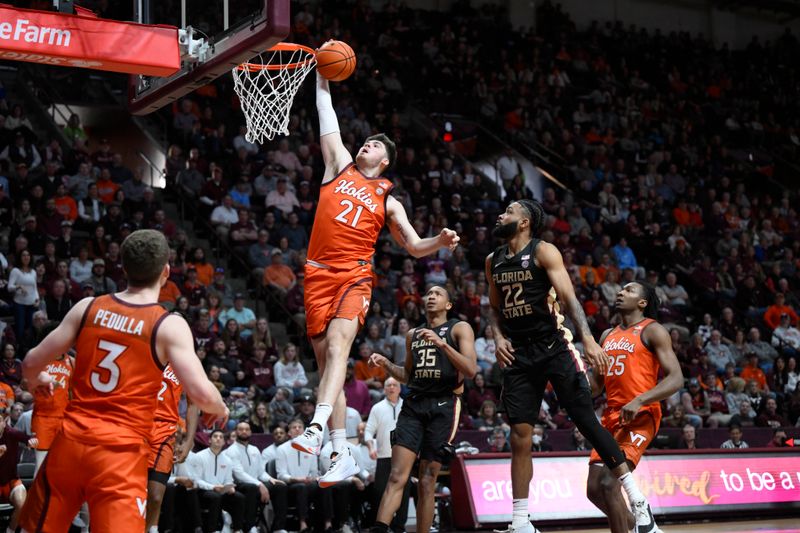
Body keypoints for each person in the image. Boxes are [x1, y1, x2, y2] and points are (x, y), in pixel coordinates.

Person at [291, 68, 459, 489]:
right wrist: (322, 76)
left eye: (374, 146)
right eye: (365, 141)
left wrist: (438, 240)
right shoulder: (338, 166)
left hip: (354, 276)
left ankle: (315, 426)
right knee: (328, 364)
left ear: (383, 161)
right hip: (316, 276)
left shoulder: (388, 198)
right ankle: (341, 452)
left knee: (338, 345)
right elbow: (324, 112)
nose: (365, 144)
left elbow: (414, 246)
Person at [19, 230, 228, 532]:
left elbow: (30, 362)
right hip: (119, 454)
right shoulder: (167, 324)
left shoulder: (87, 306)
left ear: (123, 268)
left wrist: (37, 378)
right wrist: (221, 407)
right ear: (166, 272)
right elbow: (202, 395)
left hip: (70, 445)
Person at [484, 200, 658, 533]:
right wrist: (497, 337)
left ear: (524, 222)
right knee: (520, 435)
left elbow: (569, 298)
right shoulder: (493, 260)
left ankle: (637, 499)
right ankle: (520, 522)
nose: (500, 215)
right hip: (519, 355)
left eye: (508, 212)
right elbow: (493, 308)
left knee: (585, 420)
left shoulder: (544, 251)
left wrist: (589, 340)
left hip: (555, 347)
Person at [368, 285, 477, 533]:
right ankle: (379, 528)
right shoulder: (413, 335)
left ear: (448, 305)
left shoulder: (460, 328)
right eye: (428, 294)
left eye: (438, 294)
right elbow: (407, 375)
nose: (431, 297)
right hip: (414, 404)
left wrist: (443, 345)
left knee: (427, 481)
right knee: (397, 475)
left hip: (445, 405)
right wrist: (386, 363)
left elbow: (471, 370)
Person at [586, 282, 682, 533]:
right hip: (610, 415)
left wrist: (640, 399)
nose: (619, 292)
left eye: (628, 290)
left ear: (642, 302)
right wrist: (575, 384)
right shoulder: (607, 335)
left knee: (609, 484)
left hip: (640, 414)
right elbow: (596, 385)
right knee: (594, 490)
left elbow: (676, 378)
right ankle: (645, 528)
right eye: (620, 289)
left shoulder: (653, 330)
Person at [145, 364, 200, 533]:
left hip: (165, 431)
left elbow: (193, 404)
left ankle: (147, 529)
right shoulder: (145, 352)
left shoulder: (182, 362)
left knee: (155, 495)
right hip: (138, 424)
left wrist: (188, 441)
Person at [224, 421, 289, 533]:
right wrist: (259, 484)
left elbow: (261, 472)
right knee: (251, 488)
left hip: (256, 485)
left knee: (280, 486)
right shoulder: (231, 451)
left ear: (250, 432)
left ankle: (278, 528)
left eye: (247, 429)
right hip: (239, 486)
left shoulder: (254, 449)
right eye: (241, 429)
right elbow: (239, 474)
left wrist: (270, 479)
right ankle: (250, 527)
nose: (244, 431)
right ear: (235, 432)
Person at [363, 377, 409, 532]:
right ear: (384, 389)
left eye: (394, 385)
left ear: (400, 388)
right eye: (388, 385)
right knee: (380, 492)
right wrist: (370, 447)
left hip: (404, 458)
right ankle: (381, 527)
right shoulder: (377, 408)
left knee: (403, 492)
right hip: (383, 456)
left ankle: (399, 527)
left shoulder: (408, 407)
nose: (391, 387)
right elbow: (369, 431)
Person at [193, 429, 246, 533]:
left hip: (221, 491)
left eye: (221, 437)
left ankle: (237, 529)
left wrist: (229, 487)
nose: (218, 439)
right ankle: (213, 530)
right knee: (215, 497)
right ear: (209, 440)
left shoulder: (227, 460)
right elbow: (196, 480)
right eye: (215, 436)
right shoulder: (199, 456)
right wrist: (212, 487)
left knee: (239, 497)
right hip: (203, 491)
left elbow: (228, 479)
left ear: (224, 442)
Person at [30, 350, 73, 474]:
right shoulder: (40, 358)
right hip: (43, 417)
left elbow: (71, 391)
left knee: (64, 461)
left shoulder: (71, 361)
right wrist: (40, 380)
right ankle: (38, 493)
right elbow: (24, 384)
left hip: (63, 417)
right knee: (41, 462)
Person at [0, 408, 38, 533]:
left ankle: (10, 531)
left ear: (4, 422)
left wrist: (32, 442)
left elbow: (28, 439)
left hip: (11, 479)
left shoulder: (11, 433)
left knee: (22, 505)